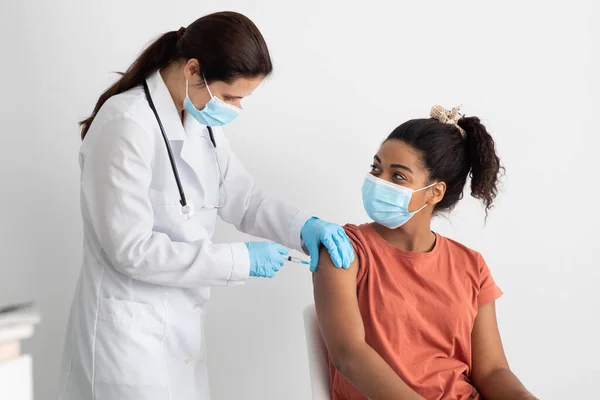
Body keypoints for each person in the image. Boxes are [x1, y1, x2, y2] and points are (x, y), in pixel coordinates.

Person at [57, 11, 353, 400]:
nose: (234, 108)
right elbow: (130, 251)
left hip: (179, 339)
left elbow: (243, 199)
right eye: (231, 96)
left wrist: (304, 227)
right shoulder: (126, 124)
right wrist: (241, 260)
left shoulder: (201, 121)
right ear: (193, 69)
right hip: (126, 341)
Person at [313, 105, 538, 400]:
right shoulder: (344, 250)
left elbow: (492, 370)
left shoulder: (471, 265)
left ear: (435, 192)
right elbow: (349, 356)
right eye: (376, 168)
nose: (379, 181)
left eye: (398, 177)